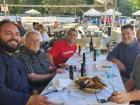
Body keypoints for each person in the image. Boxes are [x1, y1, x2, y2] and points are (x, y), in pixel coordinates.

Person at [0, 20, 51, 105]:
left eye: (17, 34)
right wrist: (28, 99)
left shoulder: (13, 57)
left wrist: (33, 91)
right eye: (8, 33)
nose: (14, 37)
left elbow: (24, 82)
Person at [110, 28, 140, 105]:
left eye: (128, 33)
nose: (125, 36)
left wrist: (129, 96)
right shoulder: (138, 58)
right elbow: (133, 80)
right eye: (139, 40)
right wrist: (121, 93)